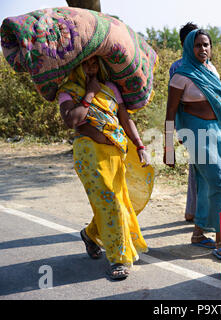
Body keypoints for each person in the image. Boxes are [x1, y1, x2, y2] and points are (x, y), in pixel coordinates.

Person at [58, 56, 151, 280]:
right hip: (89, 156)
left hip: (116, 154)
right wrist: (89, 93)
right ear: (77, 66)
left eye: (94, 64)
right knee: (110, 201)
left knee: (120, 202)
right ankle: (118, 258)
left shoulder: (110, 89)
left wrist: (139, 145)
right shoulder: (68, 91)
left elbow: (124, 118)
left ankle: (90, 234)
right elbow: (73, 120)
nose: (91, 68)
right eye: (86, 64)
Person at [164, 29, 221, 260]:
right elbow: (170, 114)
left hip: (219, 131)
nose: (203, 49)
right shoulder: (181, 75)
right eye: (197, 45)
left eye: (206, 45)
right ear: (188, 48)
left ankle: (198, 234)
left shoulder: (211, 70)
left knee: (206, 184)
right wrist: (168, 148)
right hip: (196, 135)